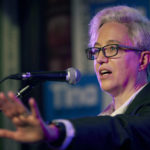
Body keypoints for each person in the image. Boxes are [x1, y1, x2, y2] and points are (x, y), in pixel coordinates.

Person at [0, 5, 150, 150]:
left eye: (112, 48)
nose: (100, 59)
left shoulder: (130, 121)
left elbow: (121, 130)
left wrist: (57, 131)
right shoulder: (105, 117)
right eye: (96, 50)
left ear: (142, 60)